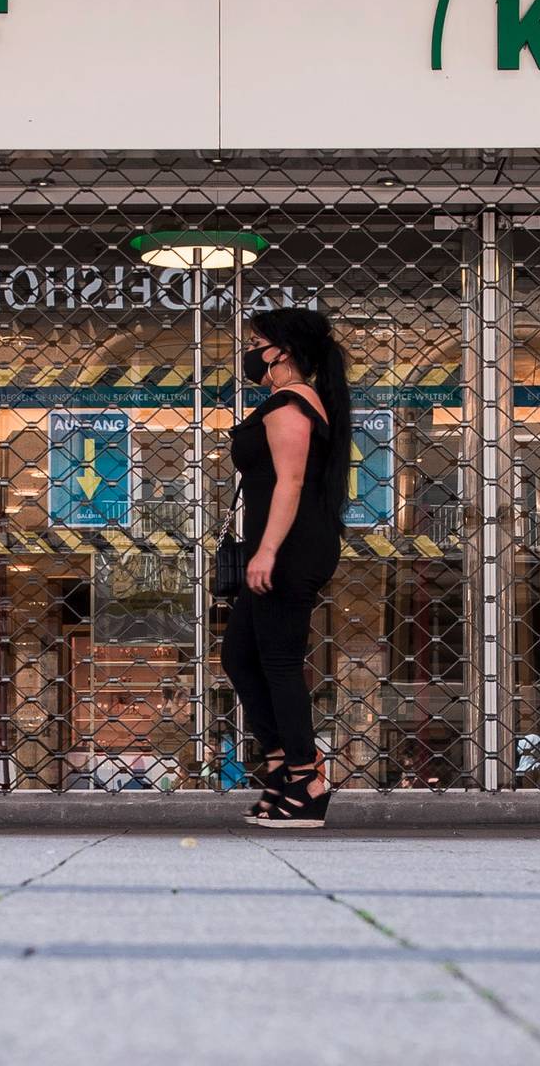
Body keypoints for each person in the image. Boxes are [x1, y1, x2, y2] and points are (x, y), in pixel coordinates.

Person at [222, 307, 353, 829]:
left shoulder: (292, 404)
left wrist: (268, 551)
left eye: (257, 342)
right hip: (286, 546)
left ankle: (306, 778)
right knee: (239, 656)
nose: (250, 352)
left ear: (284, 352)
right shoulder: (289, 401)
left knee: (277, 662)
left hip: (291, 549)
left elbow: (291, 483)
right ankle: (281, 766)